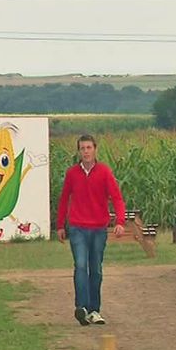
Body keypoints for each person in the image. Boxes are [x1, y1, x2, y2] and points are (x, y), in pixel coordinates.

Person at [56, 134, 126, 326]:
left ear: (95, 149)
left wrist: (120, 221)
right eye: (82, 148)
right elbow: (64, 199)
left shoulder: (104, 172)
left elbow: (117, 198)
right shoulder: (72, 174)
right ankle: (82, 307)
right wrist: (60, 224)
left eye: (89, 148)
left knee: (95, 269)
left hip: (98, 228)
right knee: (80, 265)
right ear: (78, 151)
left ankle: (94, 310)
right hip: (78, 227)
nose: (85, 152)